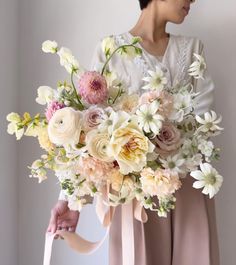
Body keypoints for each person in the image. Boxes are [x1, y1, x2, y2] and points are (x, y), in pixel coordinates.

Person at [47, 0, 220, 264]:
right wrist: (70, 202)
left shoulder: (193, 48)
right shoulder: (111, 50)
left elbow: (203, 123)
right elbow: (88, 130)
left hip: (189, 185)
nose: (193, 1)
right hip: (133, 194)